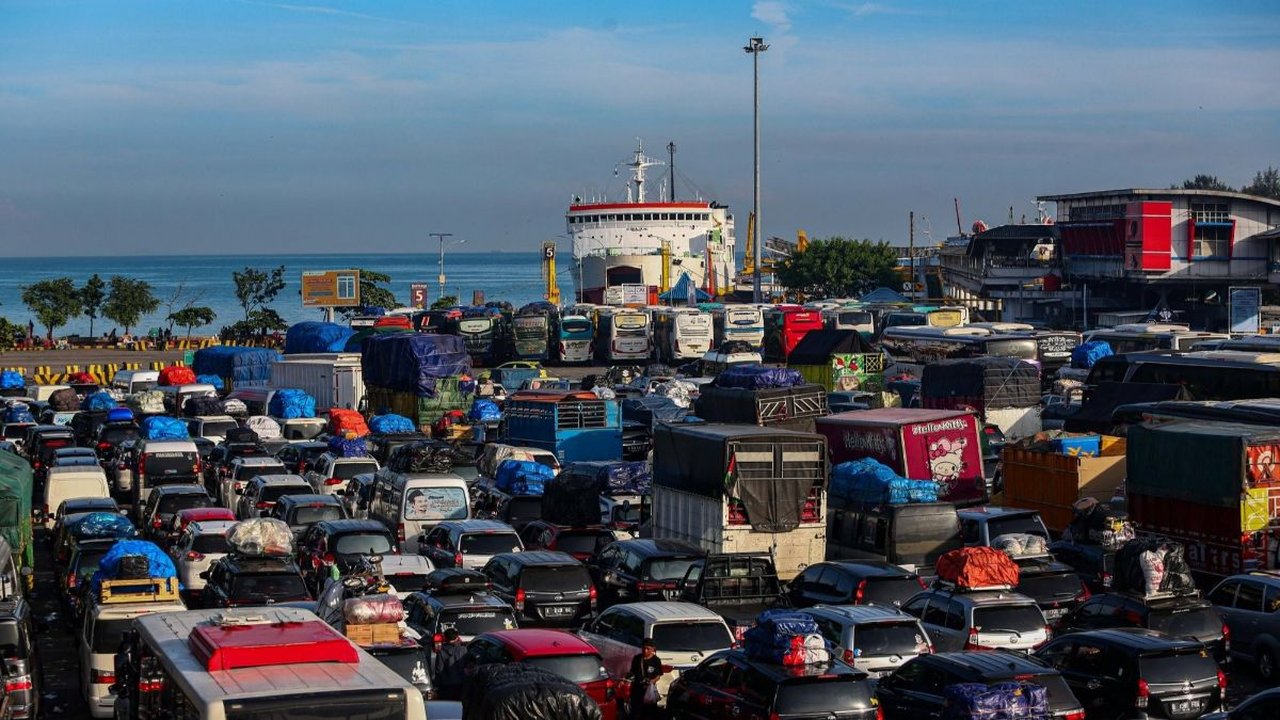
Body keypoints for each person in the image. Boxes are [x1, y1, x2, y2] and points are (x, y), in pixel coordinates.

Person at [628, 638, 665, 719]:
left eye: (648, 648)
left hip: (648, 691)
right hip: (637, 691)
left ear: (652, 649)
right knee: (636, 713)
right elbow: (632, 672)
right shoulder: (637, 658)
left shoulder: (656, 660)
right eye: (644, 648)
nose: (645, 650)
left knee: (649, 713)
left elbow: (658, 675)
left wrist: (652, 681)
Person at [431, 628, 468, 700]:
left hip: (446, 686)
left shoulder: (441, 651)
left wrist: (436, 685)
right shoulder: (463, 650)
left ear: (445, 638)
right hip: (461, 685)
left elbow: (439, 670)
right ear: (457, 637)